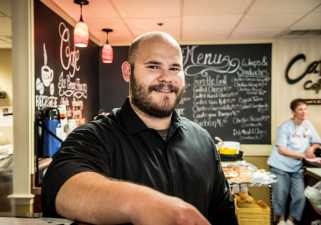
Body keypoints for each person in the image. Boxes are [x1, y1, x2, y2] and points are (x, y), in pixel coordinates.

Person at [42, 31, 238, 225]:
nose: (166, 78)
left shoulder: (203, 140)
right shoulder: (94, 136)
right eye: (154, 66)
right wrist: (142, 204)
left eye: (175, 68)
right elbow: (61, 187)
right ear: (128, 71)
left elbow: (223, 213)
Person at [268, 98, 321, 225]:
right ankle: (280, 220)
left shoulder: (308, 125)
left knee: (300, 196)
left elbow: (317, 142)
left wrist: (311, 148)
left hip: (296, 168)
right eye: (300, 109)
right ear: (293, 112)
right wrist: (303, 155)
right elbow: (281, 149)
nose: (304, 112)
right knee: (280, 194)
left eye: (305, 109)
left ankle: (291, 220)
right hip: (279, 167)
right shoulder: (285, 127)